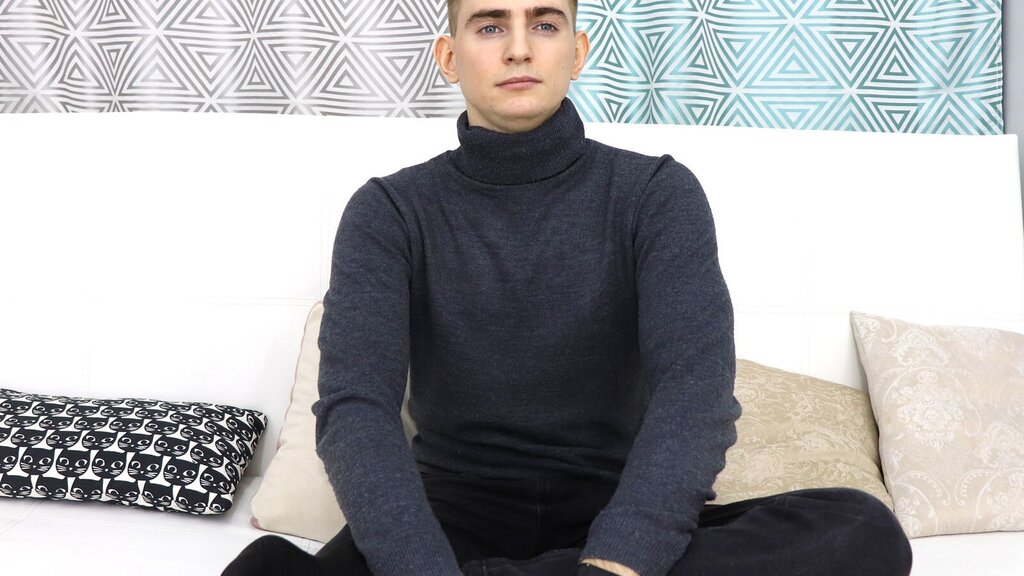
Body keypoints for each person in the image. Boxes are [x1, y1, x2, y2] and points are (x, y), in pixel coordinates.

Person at [223, 1, 913, 575]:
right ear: (450, 57)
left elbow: (695, 392)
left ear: (577, 52)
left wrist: (619, 560)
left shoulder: (657, 194)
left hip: (615, 512)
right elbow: (356, 410)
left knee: (863, 531)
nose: (519, 48)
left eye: (545, 23)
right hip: (447, 518)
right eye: (491, 25)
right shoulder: (389, 211)